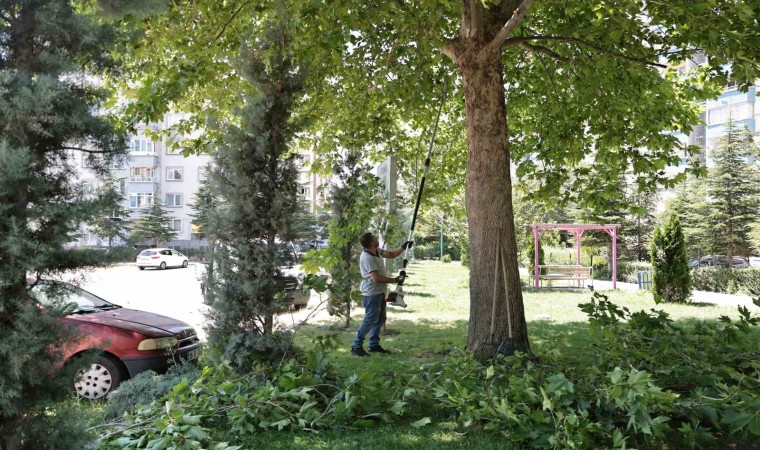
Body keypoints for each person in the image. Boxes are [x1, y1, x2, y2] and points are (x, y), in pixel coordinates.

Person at [351, 232, 413, 356]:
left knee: (380, 319)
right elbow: (376, 278)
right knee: (370, 320)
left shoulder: (376, 251)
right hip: (371, 293)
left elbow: (391, 254)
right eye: (374, 238)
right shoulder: (367, 257)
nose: (376, 239)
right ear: (370, 242)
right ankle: (356, 346)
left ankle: (374, 345)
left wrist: (403, 246)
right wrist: (395, 280)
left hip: (379, 291)